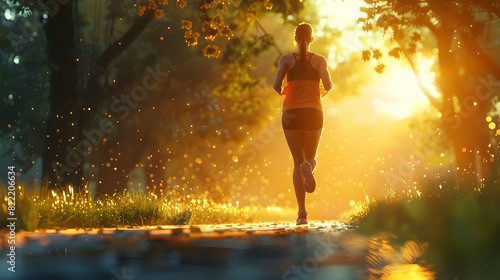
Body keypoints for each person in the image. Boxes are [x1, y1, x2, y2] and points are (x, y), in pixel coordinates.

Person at [273, 22, 333, 225]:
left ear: (295, 39)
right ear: (312, 39)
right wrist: (320, 92)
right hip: (314, 112)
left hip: (291, 113)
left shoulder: (286, 60)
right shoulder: (319, 60)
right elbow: (328, 85)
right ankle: (309, 166)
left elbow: (276, 85)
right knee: (311, 158)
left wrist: (285, 91)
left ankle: (301, 214)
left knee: (296, 163)